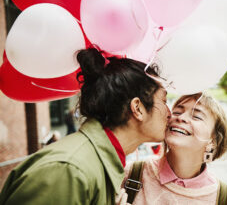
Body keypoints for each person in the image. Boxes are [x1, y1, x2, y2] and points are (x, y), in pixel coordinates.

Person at [0, 47, 171, 205]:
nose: (170, 112)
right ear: (138, 108)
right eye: (163, 100)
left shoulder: (91, 165)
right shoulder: (67, 171)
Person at [122, 93, 227, 204]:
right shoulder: (130, 174)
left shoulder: (225, 199)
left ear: (213, 140)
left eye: (197, 116)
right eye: (177, 112)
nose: (181, 118)